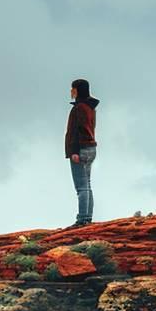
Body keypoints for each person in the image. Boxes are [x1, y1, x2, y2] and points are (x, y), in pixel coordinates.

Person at [66, 78, 99, 227]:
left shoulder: (80, 108)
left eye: (73, 89)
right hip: (91, 148)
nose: (71, 92)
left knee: (82, 187)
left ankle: (82, 219)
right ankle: (87, 217)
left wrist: (74, 151)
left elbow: (77, 131)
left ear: (78, 90)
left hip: (81, 149)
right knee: (87, 184)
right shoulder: (90, 107)